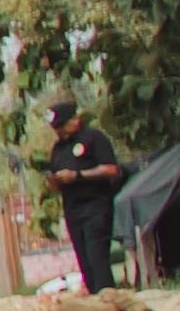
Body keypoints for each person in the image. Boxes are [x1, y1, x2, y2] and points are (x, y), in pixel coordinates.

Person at [39, 93, 121, 290]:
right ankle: (94, 298)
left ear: (74, 120)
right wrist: (55, 182)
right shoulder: (58, 148)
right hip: (73, 210)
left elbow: (112, 169)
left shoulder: (93, 138)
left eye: (61, 127)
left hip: (95, 207)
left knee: (97, 258)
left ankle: (106, 300)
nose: (58, 132)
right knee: (85, 263)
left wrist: (78, 175)